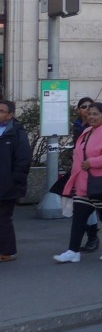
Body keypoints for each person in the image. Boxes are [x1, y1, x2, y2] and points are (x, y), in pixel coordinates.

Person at [54, 101, 102, 263]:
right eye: (90, 113)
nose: (91, 116)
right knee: (78, 217)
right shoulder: (87, 131)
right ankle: (73, 251)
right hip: (85, 184)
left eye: (95, 114)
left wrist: (92, 162)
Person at [0, 98, 33, 262]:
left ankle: (7, 251)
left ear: (10, 115)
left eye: (1, 111)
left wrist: (13, 180)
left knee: (3, 218)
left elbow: (24, 159)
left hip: (7, 183)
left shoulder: (16, 133)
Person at [71, 97, 101, 252]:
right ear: (79, 110)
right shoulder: (77, 126)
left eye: (90, 107)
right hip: (79, 171)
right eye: (84, 106)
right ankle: (89, 238)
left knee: (89, 207)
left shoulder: (97, 127)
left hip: (93, 172)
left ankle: (93, 237)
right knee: (83, 207)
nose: (87, 110)